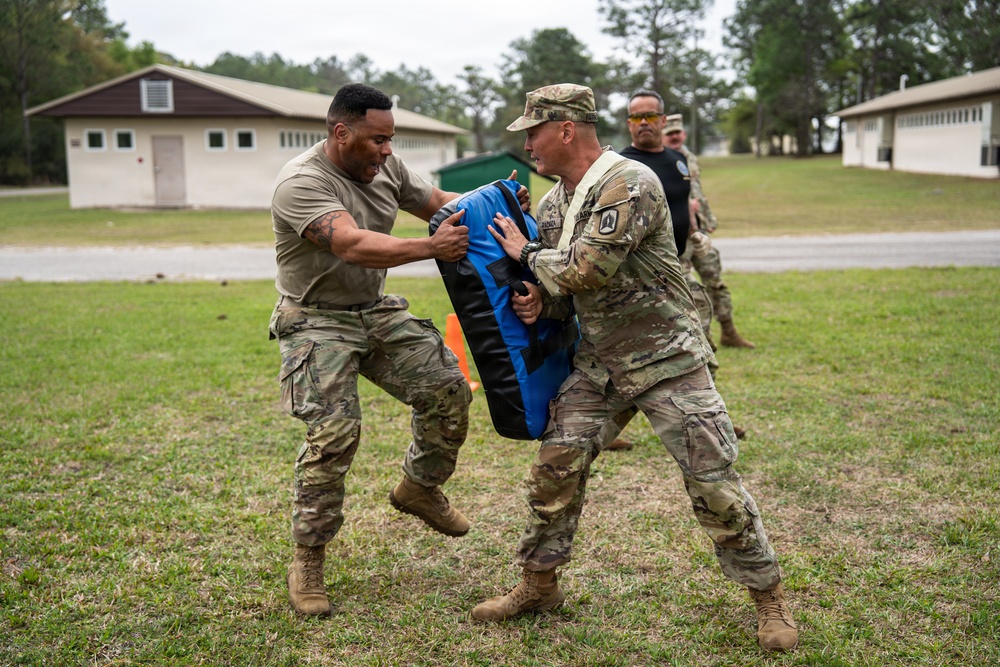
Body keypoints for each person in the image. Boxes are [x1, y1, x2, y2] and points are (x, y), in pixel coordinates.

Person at [471, 83, 797, 653]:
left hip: (666, 358)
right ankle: (538, 584)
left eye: (533, 131)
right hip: (600, 364)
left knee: (713, 484)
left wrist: (525, 252)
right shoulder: (552, 205)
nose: (527, 143)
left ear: (566, 129)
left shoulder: (629, 182)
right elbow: (561, 291)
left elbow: (584, 270)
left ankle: (768, 597)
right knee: (555, 469)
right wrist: (537, 303)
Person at [268, 83, 528, 616]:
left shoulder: (387, 165)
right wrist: (430, 247)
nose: (387, 150)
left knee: (448, 390)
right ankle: (308, 558)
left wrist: (494, 200)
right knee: (335, 434)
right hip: (316, 320)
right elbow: (351, 244)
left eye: (391, 139)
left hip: (374, 310)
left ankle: (419, 488)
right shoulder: (301, 183)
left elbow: (438, 204)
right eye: (377, 139)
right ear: (341, 132)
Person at [608, 91, 744, 449]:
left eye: (650, 116)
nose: (644, 123)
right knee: (626, 358)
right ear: (628, 124)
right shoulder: (620, 164)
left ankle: (713, 418)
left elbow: (685, 204)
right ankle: (601, 431)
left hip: (679, 271)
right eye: (636, 118)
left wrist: (696, 229)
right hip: (639, 280)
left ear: (663, 120)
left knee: (700, 343)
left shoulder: (679, 161)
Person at [662, 114, 756, 349]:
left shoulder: (689, 158)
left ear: (683, 134)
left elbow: (697, 192)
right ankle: (701, 344)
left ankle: (729, 331)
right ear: (662, 135)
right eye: (669, 134)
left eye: (677, 133)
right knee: (690, 291)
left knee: (715, 281)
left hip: (698, 231)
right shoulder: (657, 162)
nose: (674, 137)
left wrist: (706, 218)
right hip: (675, 237)